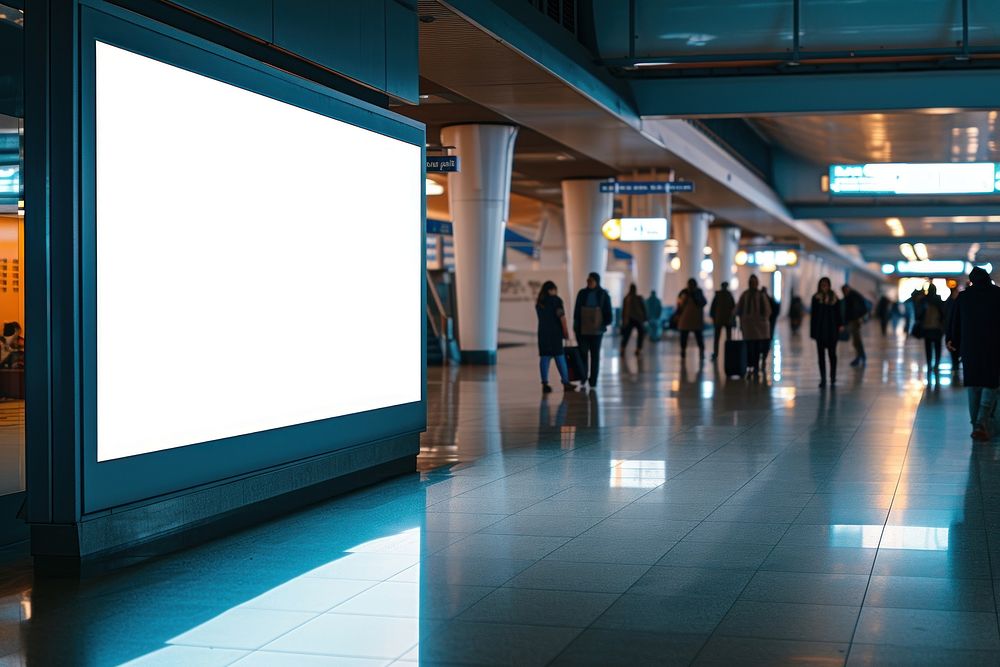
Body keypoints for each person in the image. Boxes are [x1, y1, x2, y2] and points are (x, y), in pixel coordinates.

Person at [947, 267, 1000, 440]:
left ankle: (975, 423)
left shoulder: (964, 297)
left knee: (973, 385)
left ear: (972, 281)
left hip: (970, 348)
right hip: (993, 348)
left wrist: (952, 340)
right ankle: (981, 421)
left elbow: (954, 321)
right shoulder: (997, 294)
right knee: (991, 383)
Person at [573, 272, 613, 390]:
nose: (589, 283)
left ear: (597, 281)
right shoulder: (582, 293)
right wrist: (576, 327)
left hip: (597, 331)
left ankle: (593, 380)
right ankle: (583, 376)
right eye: (588, 281)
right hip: (583, 330)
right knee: (583, 353)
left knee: (595, 355)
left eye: (591, 281)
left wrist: (604, 323)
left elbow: (608, 311)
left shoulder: (603, 294)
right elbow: (577, 311)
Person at [535, 282, 574, 393]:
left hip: (543, 334)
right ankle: (566, 382)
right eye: (555, 289)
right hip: (555, 334)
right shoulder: (556, 301)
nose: (556, 292)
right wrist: (566, 332)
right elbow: (562, 318)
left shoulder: (539, 303)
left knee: (545, 358)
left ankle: (544, 384)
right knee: (560, 357)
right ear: (551, 290)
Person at [736, 274, 772, 377]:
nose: (752, 284)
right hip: (748, 327)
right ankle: (751, 367)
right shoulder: (746, 295)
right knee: (749, 348)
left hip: (758, 327)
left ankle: (754, 367)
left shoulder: (760, 295)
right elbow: (738, 308)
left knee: (756, 348)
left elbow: (767, 310)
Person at [810, 277, 842, 388]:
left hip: (832, 331)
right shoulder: (815, 298)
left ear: (829, 285)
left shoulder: (834, 298)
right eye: (822, 284)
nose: (824, 287)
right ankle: (823, 378)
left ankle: (832, 377)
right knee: (821, 356)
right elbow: (813, 317)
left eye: (826, 284)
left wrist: (840, 326)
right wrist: (813, 333)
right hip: (820, 332)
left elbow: (839, 314)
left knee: (832, 355)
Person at [915, 284, 945, 380]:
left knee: (928, 348)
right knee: (937, 347)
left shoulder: (924, 300)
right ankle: (936, 365)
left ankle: (929, 365)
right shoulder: (939, 300)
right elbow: (943, 314)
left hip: (927, 327)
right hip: (937, 328)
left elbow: (918, 314)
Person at [676, 278, 707, 360]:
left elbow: (679, 305)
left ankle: (685, 351)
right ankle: (699, 351)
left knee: (692, 336)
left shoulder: (686, 292)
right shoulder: (695, 292)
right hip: (692, 319)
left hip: (688, 319)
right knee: (696, 336)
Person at [842, 284, 869, 366]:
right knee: (856, 340)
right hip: (854, 320)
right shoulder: (851, 296)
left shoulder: (853, 296)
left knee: (857, 340)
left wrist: (858, 318)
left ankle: (860, 357)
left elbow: (855, 309)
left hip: (855, 321)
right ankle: (861, 356)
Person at [709, 281, 736, 361]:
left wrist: (714, 318)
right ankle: (729, 353)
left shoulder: (718, 295)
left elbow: (712, 308)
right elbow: (733, 308)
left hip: (719, 320)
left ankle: (716, 353)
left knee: (717, 338)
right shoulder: (729, 295)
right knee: (728, 338)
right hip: (727, 320)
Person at [620, 284, 647, 355]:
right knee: (639, 333)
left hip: (630, 319)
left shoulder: (627, 298)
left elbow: (624, 311)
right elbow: (643, 309)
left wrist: (623, 320)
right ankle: (638, 348)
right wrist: (645, 318)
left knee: (627, 334)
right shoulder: (638, 298)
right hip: (637, 319)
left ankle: (623, 348)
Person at [943, 285, 961, 382]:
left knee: (954, 348)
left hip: (950, 328)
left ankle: (955, 366)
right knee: (954, 348)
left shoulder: (948, 302)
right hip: (952, 329)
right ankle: (955, 365)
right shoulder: (956, 303)